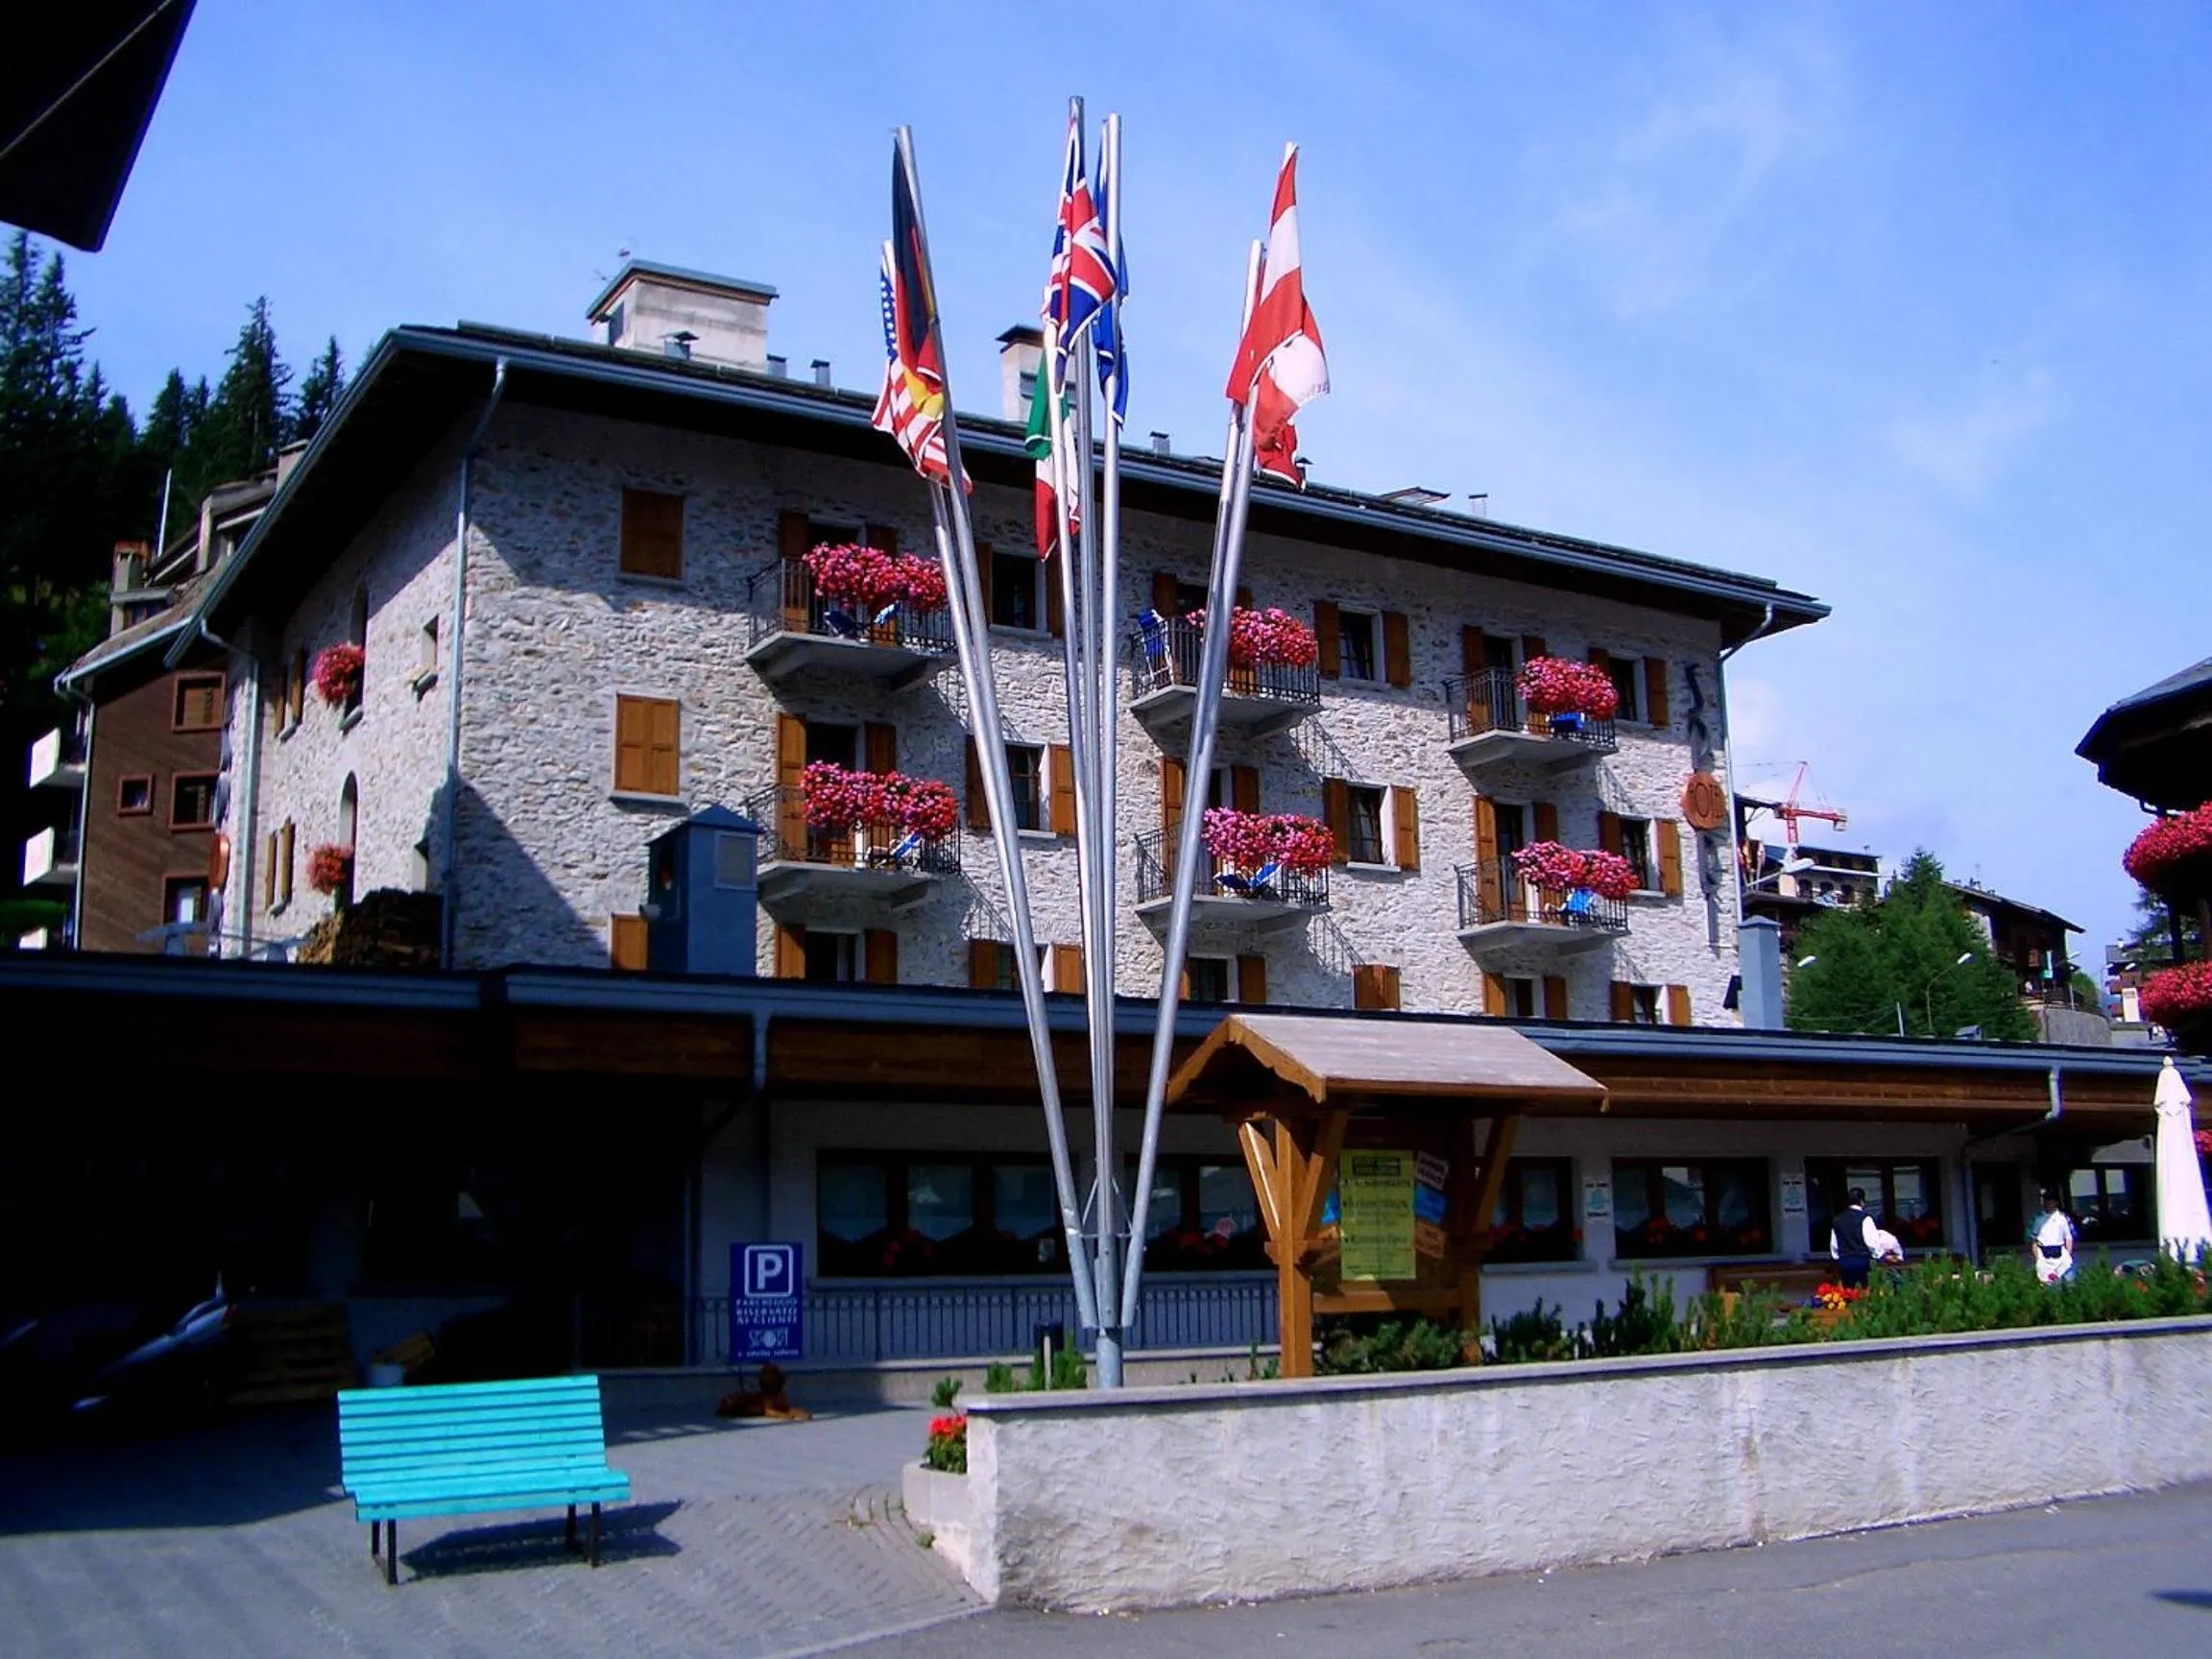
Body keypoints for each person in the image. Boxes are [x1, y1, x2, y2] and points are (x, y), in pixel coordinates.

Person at [1829, 1187, 1879, 1289]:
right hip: (1862, 1261)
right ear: (1862, 1202)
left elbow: (1834, 1246)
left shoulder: (1837, 1220)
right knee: (1865, 1294)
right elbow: (1872, 1243)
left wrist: (1839, 1259)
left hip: (1845, 1262)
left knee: (1848, 1294)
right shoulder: (1865, 1218)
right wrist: (1878, 1256)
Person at [2032, 1189, 2077, 1285]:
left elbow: (2069, 1238)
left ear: (2056, 1202)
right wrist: (2038, 1259)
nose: (2047, 1203)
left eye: (2050, 1200)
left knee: (2068, 1283)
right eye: (2045, 1201)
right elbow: (2034, 1241)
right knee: (2046, 1285)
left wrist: (2068, 1255)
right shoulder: (2038, 1219)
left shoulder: (2063, 1218)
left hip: (2060, 1254)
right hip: (2044, 1256)